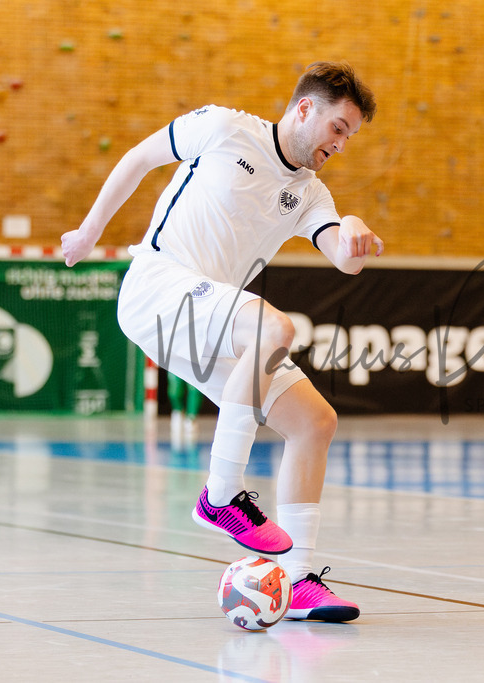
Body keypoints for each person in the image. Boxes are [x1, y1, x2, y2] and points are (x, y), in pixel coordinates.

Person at [62, 61, 382, 623]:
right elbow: (139, 158)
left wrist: (353, 227)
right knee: (272, 327)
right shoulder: (224, 127)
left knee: (316, 422)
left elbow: (342, 259)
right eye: (339, 127)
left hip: (207, 317)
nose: (342, 143)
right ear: (305, 109)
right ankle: (221, 494)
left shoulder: (310, 194)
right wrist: (90, 231)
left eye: (350, 135)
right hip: (157, 286)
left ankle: (301, 580)